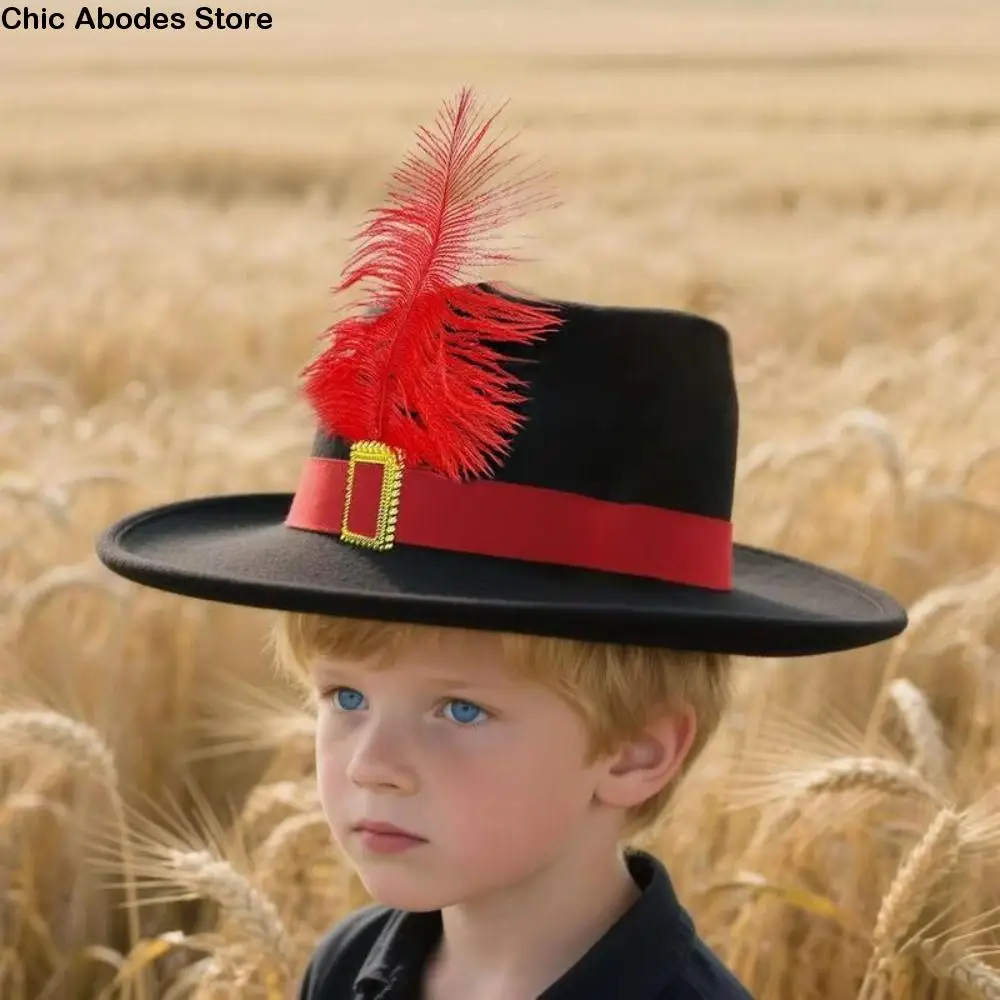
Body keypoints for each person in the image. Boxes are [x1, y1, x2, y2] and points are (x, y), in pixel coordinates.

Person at [96, 88, 908, 1000]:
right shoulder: (353, 964)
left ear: (637, 750)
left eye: (459, 711)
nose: (371, 766)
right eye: (346, 695)